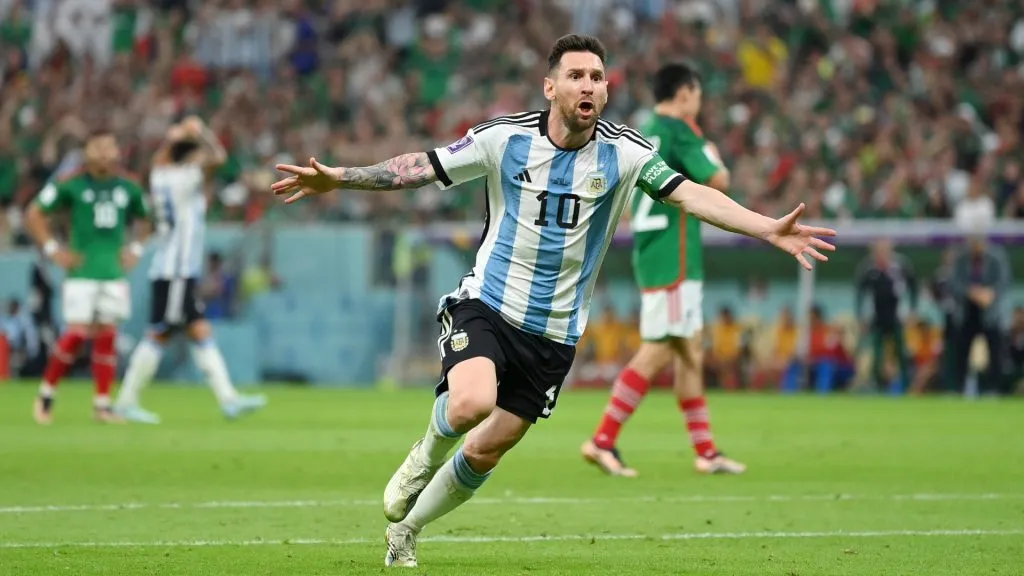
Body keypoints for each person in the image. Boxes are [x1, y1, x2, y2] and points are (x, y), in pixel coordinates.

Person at [271, 34, 836, 569]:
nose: (587, 85)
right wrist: (341, 179)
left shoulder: (626, 153)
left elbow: (690, 194)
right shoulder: (503, 139)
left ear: (606, 90)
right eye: (575, 76)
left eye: (596, 76)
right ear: (551, 88)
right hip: (488, 304)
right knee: (470, 403)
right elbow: (418, 167)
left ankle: (407, 530)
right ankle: (425, 452)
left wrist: (767, 228)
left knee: (491, 447)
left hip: (555, 334)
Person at [581, 62, 744, 477]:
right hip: (675, 256)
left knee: (689, 350)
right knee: (659, 349)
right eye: (699, 93)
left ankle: (706, 452)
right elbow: (718, 179)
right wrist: (711, 151)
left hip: (651, 251)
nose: (700, 101)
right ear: (686, 92)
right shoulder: (680, 130)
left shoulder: (642, 131)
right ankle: (603, 440)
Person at [113, 117, 266, 424]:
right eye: (195, 153)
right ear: (188, 157)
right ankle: (126, 401)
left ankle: (228, 399)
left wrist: (175, 138)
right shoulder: (185, 177)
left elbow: (166, 157)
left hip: (177, 271)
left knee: (199, 330)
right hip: (175, 271)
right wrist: (201, 132)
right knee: (159, 334)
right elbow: (219, 158)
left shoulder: (160, 174)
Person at [24, 128, 151, 424]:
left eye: (109, 147)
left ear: (118, 151)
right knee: (77, 333)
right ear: (87, 152)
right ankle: (46, 395)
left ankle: (102, 405)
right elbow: (34, 214)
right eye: (98, 148)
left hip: (113, 273)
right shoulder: (71, 184)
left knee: (107, 335)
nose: (104, 153)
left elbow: (146, 219)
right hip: (81, 271)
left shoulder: (129, 186)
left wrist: (135, 248)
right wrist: (54, 248)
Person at [854, 238, 918, 391]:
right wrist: (860, 316)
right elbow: (860, 293)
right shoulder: (869, 268)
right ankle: (879, 386)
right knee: (877, 354)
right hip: (877, 318)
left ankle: (905, 386)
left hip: (897, 318)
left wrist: (912, 311)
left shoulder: (901, 266)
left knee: (902, 353)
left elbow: (913, 287)